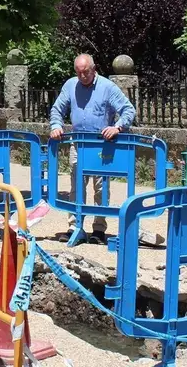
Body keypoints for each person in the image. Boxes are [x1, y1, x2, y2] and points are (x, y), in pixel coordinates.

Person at [48, 53, 136, 243]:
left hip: (100, 145)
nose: (82, 76)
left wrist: (117, 127)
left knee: (100, 187)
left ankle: (99, 229)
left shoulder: (107, 87)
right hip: (78, 143)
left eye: (85, 72)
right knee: (76, 186)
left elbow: (128, 110)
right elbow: (57, 109)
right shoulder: (70, 85)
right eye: (78, 73)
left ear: (94, 69)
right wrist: (56, 126)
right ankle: (74, 227)